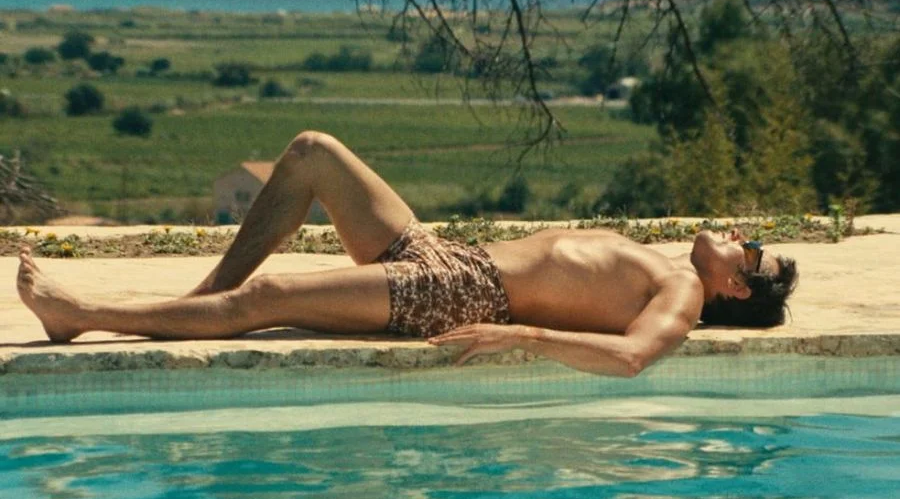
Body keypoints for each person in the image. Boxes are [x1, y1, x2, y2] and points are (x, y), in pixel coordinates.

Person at [16, 131, 798, 377]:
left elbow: (632, 358)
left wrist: (524, 335)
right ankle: (195, 307)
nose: (740, 236)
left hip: (457, 296)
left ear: (736, 289)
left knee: (271, 298)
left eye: (752, 251)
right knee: (313, 154)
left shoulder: (682, 296)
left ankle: (78, 315)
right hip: (447, 257)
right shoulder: (669, 266)